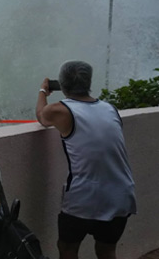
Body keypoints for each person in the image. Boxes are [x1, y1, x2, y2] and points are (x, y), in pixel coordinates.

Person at [36, 60, 136, 259]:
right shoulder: (110, 109)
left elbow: (41, 116)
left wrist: (42, 91)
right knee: (107, 250)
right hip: (121, 195)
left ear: (62, 84)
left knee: (67, 248)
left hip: (84, 197)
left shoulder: (60, 110)